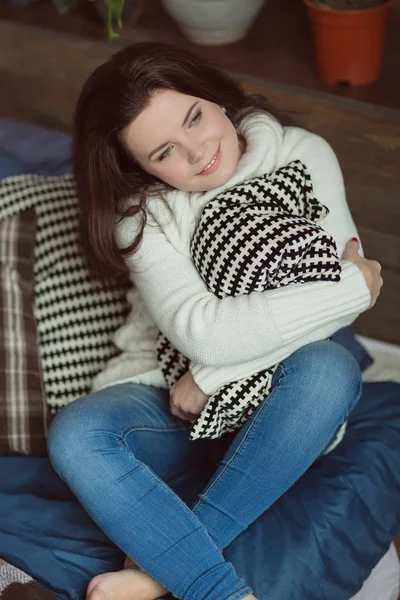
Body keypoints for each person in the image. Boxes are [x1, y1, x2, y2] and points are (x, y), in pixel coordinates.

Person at [47, 42, 383, 600]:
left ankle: (161, 570)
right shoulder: (145, 214)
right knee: (76, 435)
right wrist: (352, 283)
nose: (199, 151)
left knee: (329, 368)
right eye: (165, 153)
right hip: (166, 398)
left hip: (276, 411)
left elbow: (337, 312)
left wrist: (209, 380)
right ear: (141, 168)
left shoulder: (303, 153)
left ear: (214, 96)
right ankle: (222, 593)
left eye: (195, 117)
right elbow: (206, 332)